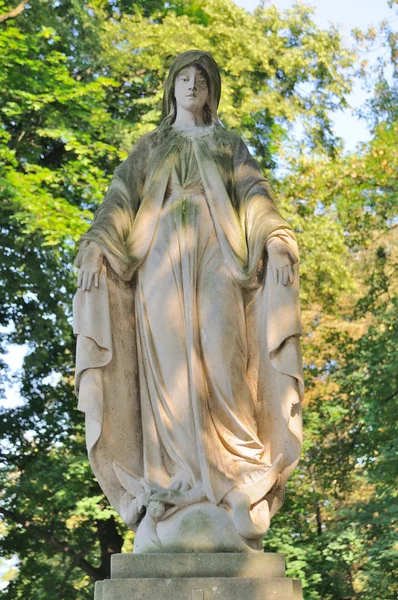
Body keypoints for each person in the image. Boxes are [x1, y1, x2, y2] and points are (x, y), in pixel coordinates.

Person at [73, 50, 303, 546]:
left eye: (201, 77)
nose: (192, 83)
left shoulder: (228, 144)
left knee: (224, 355)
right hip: (159, 259)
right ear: (171, 87)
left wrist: (276, 237)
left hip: (220, 255)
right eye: (184, 76)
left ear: (211, 90)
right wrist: (96, 245)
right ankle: (171, 483)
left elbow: (256, 197)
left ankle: (239, 475)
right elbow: (119, 201)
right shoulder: (152, 146)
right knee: (170, 367)